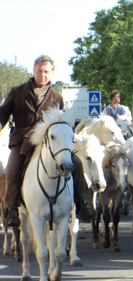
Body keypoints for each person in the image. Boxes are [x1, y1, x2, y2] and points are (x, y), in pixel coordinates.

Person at [0, 55, 94, 228]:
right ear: (33, 71)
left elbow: (60, 121)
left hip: (50, 142)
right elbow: (3, 113)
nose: (42, 75)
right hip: (22, 142)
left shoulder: (57, 97)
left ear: (51, 74)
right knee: (12, 171)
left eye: (46, 72)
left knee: (77, 164)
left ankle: (83, 205)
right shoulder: (17, 91)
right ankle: (12, 211)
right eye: (39, 71)